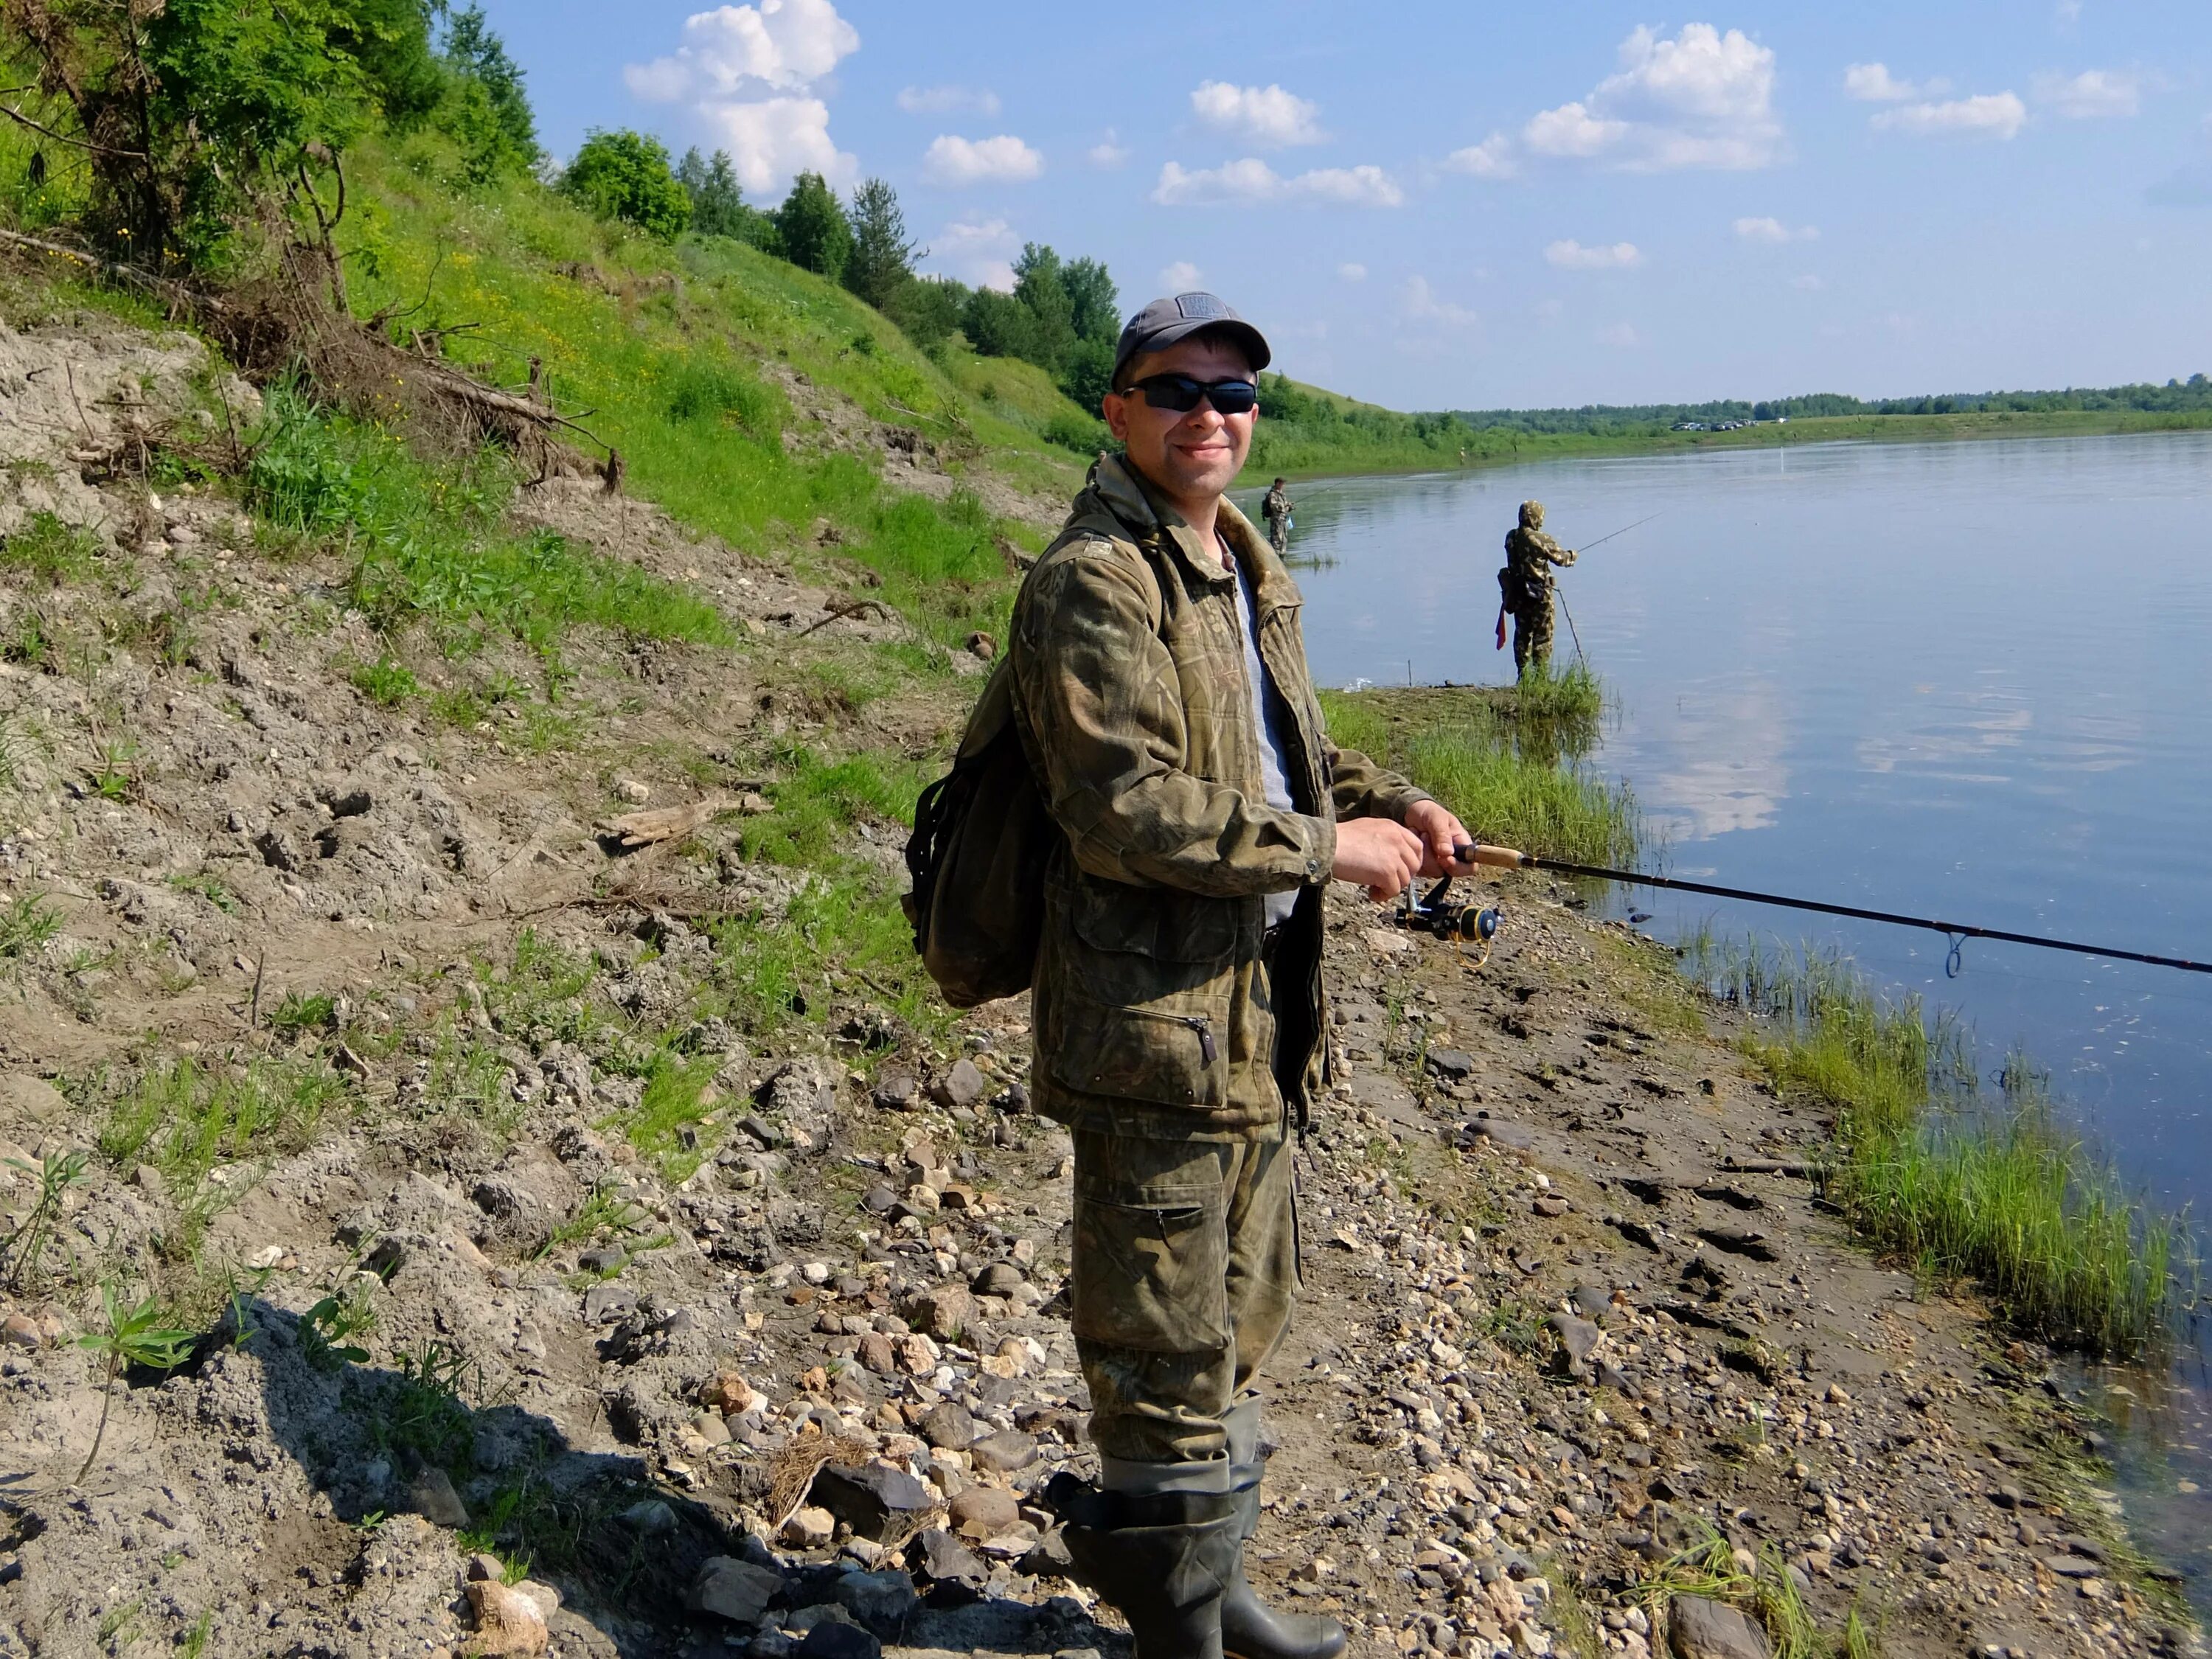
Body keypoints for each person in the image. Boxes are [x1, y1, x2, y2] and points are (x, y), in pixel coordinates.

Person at [1009, 291, 1478, 1659]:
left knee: (1240, 1314)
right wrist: (1335, 850)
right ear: (1118, 410)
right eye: (1178, 389)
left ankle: (1216, 1595)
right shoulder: (1094, 580)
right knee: (1161, 1343)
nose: (1211, 414)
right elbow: (1127, 810)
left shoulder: (1241, 564)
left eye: (1235, 394)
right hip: (1150, 1029)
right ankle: (1177, 1630)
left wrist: (1405, 808)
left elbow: (1287, 763)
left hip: (1261, 1007)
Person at [1497, 498, 1577, 677]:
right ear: (1535, 518)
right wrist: (1572, 555)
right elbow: (1562, 559)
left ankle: (1523, 676)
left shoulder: (1511, 536)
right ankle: (1541, 678)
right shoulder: (1541, 539)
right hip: (1540, 596)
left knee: (1523, 635)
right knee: (1542, 637)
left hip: (1519, 595)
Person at [1261, 476, 1293, 554]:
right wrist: (1285, 505)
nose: (1283, 485)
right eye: (1282, 483)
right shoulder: (1272, 494)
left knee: (1284, 539)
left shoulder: (1282, 494)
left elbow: (1284, 508)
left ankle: (1282, 557)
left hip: (1283, 519)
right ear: (1277, 483)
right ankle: (1276, 557)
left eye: (1283, 484)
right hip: (1276, 520)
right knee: (1277, 539)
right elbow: (1274, 506)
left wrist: (1289, 507)